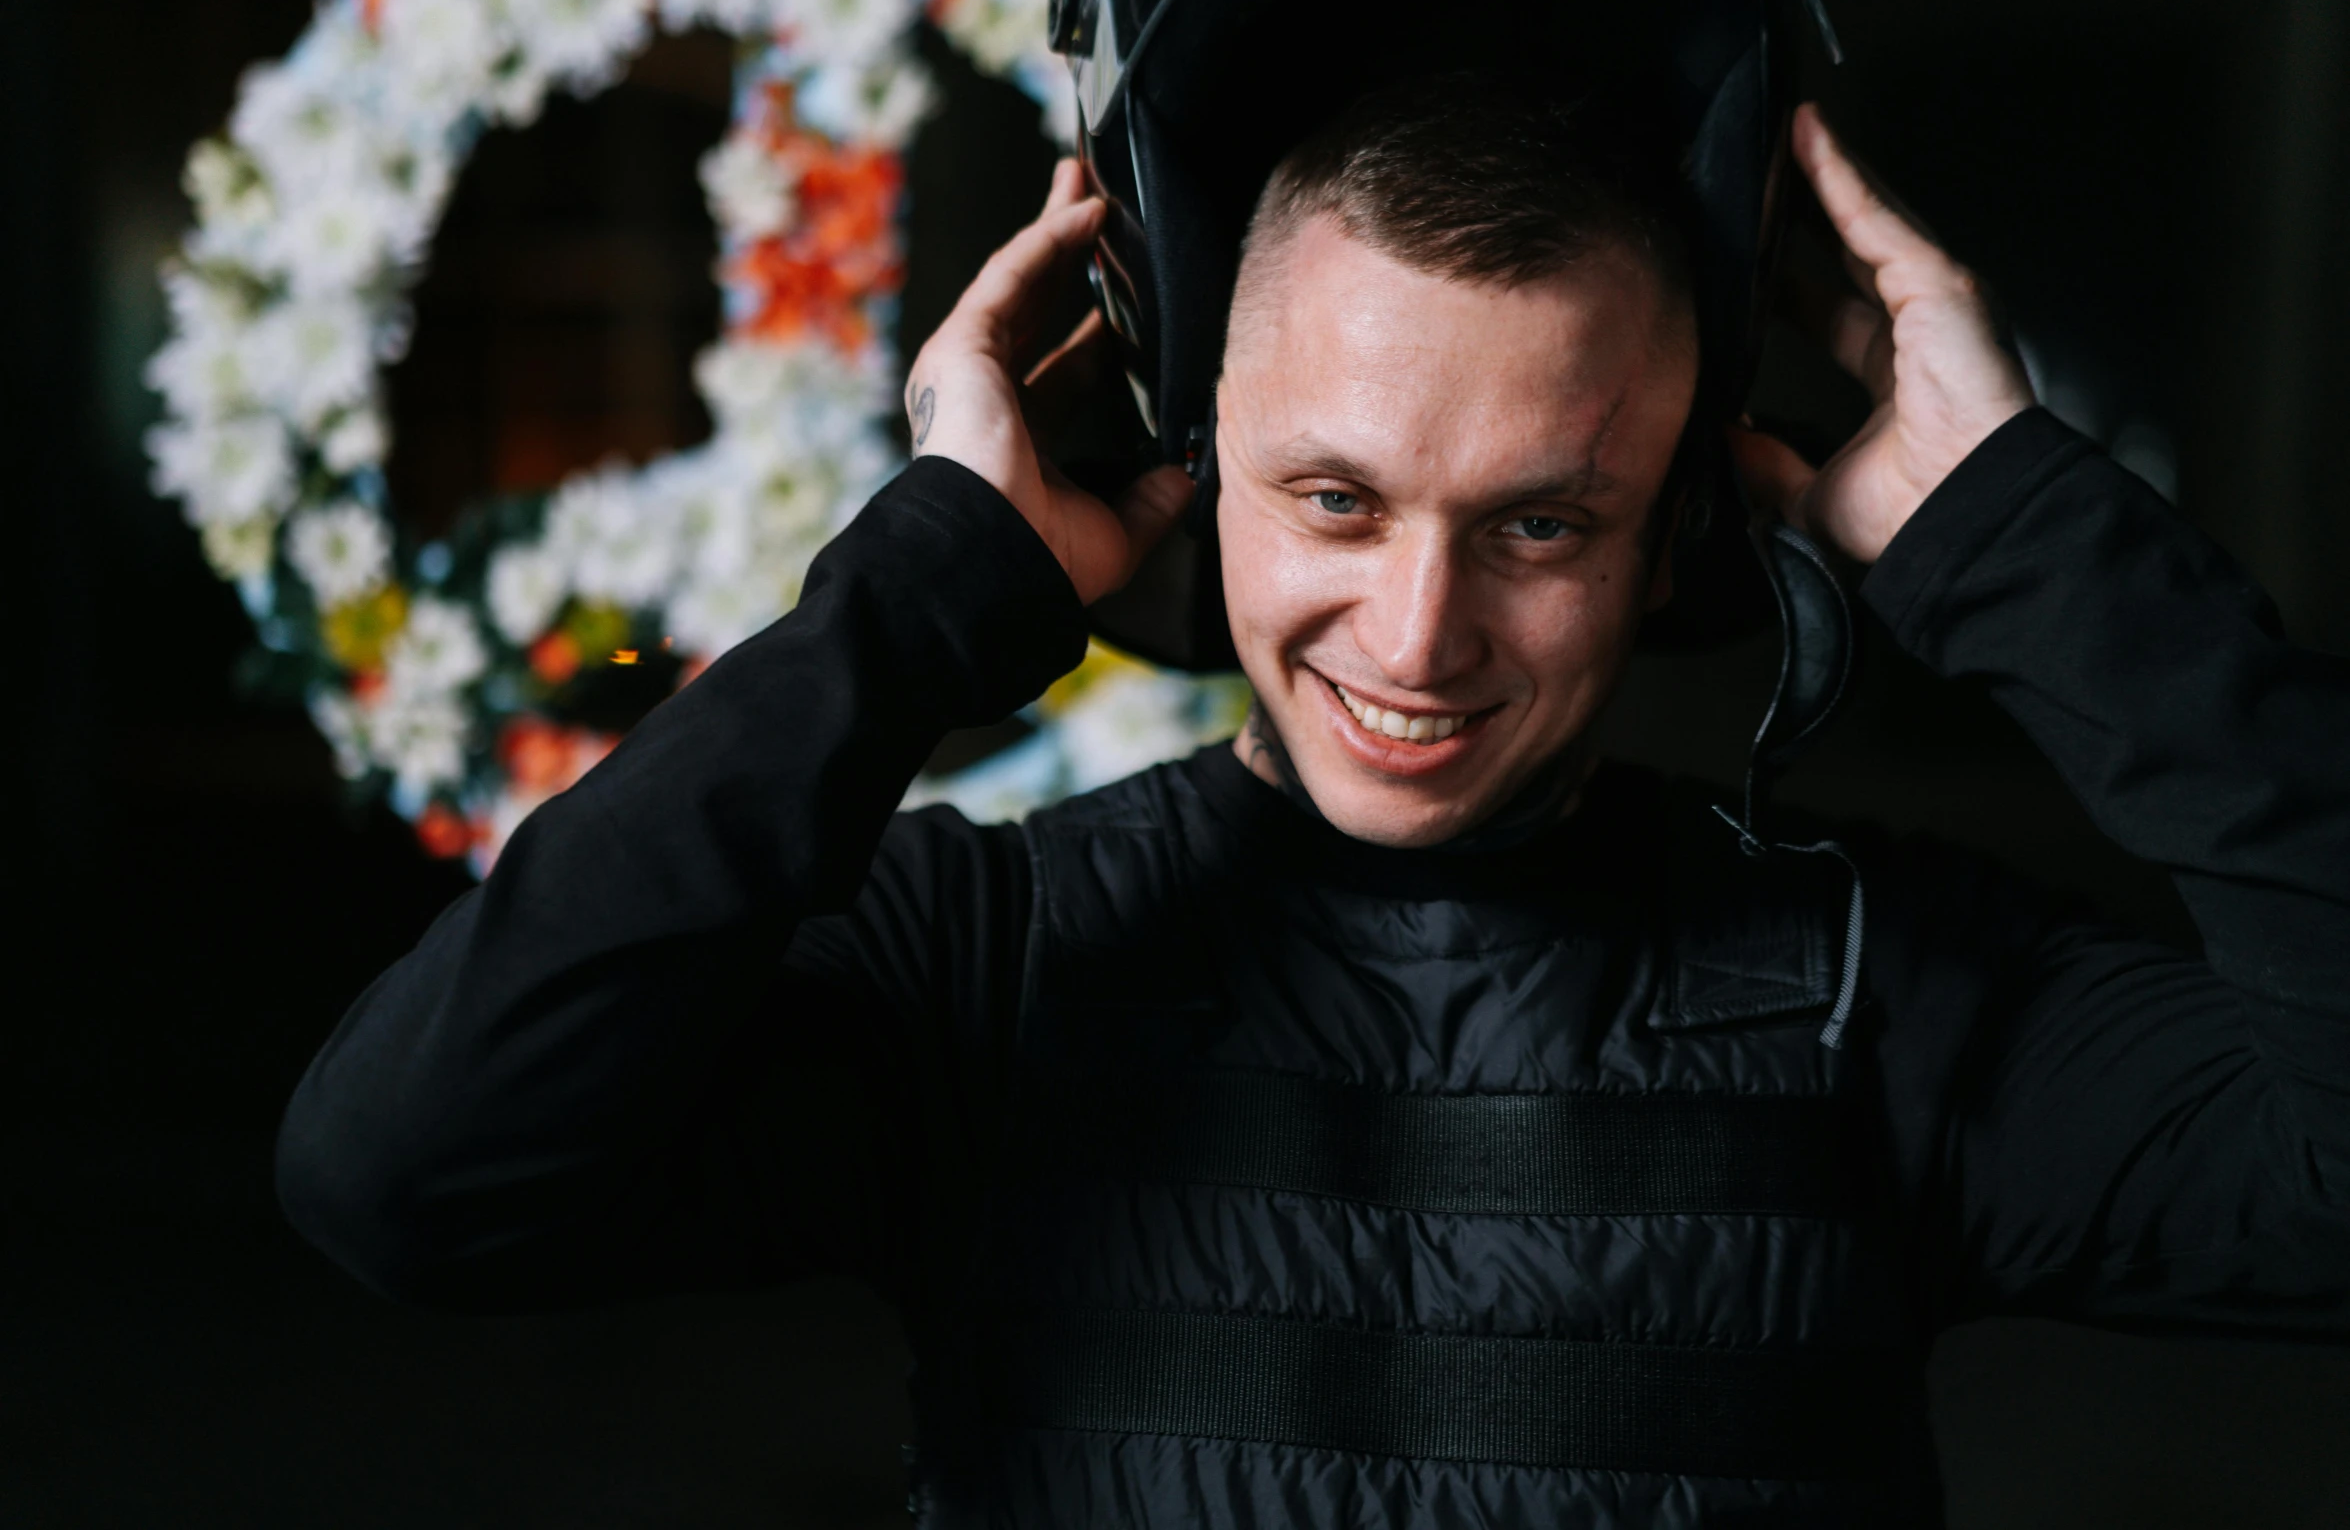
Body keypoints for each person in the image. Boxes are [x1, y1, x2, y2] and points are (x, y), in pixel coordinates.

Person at [276, 77, 2350, 1527]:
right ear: (1192, 476)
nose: (1420, 636)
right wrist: (912, 598)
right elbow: (406, 1172)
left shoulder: (1874, 991)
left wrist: (2029, 553)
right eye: (1334, 500)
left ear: (1680, 539)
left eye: (1541, 522)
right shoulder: (986, 963)